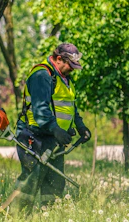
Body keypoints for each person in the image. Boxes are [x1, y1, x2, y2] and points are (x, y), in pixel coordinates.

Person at [9, 43, 91, 212]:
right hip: (35, 137)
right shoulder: (42, 75)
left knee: (55, 183)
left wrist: (80, 126)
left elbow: (70, 106)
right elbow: (41, 110)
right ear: (59, 59)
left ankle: (48, 219)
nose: (72, 69)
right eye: (70, 65)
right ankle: (17, 220)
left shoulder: (64, 78)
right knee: (31, 181)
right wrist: (55, 129)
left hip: (53, 139)